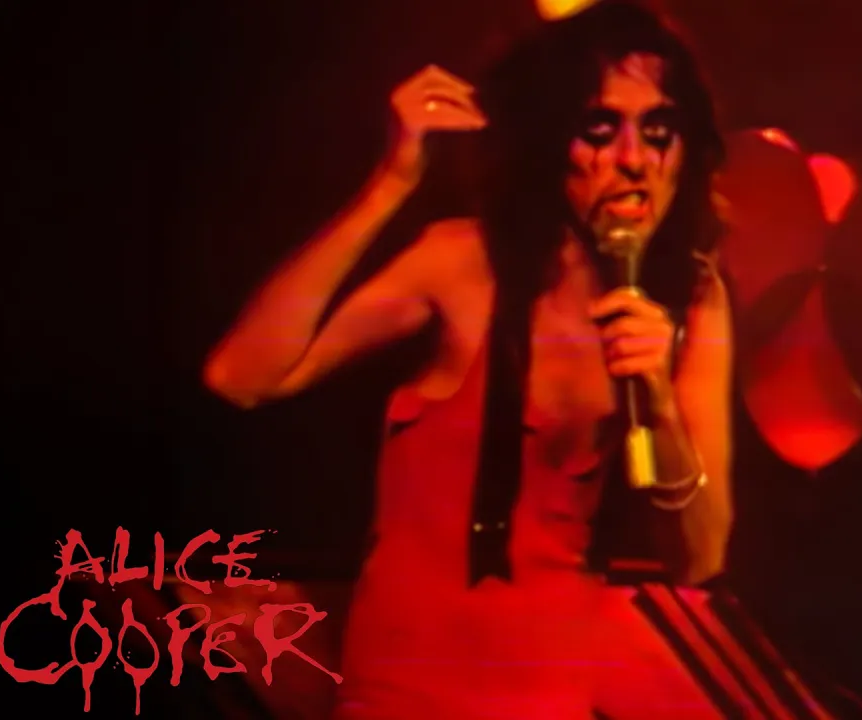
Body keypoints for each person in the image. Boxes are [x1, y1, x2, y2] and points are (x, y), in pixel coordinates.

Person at [203, 1, 735, 717]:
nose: (634, 161)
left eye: (659, 132)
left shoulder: (693, 302)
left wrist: (660, 405)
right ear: (553, 140)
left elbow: (701, 556)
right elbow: (241, 376)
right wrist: (390, 183)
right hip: (405, 694)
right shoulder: (462, 264)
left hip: (549, 696)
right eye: (600, 130)